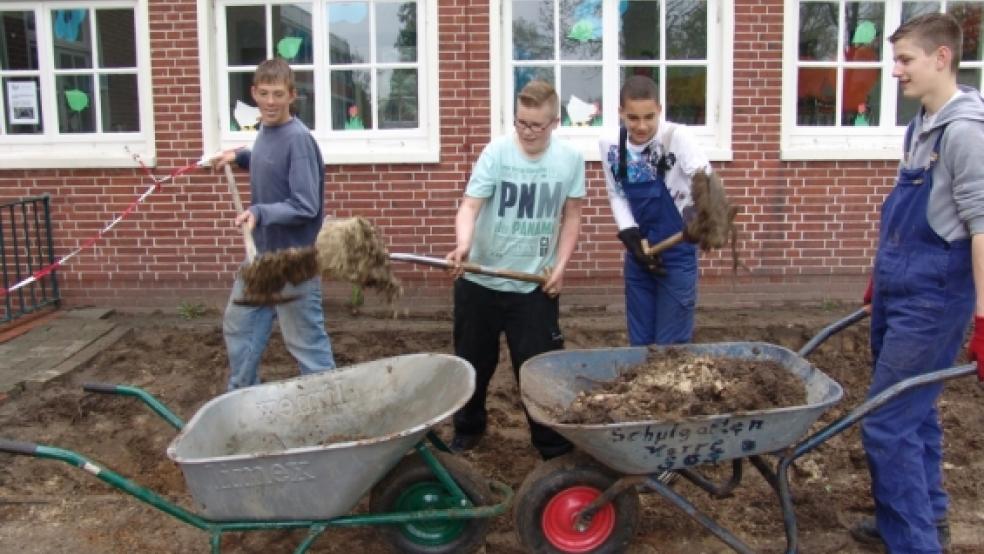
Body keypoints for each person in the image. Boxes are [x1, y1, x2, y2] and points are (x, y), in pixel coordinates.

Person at [853, 13, 984, 553]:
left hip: (934, 299)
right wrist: (876, 279)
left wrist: (983, 321)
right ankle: (923, 518)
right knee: (913, 413)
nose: (896, 71)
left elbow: (982, 230)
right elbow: (906, 214)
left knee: (884, 423)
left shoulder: (966, 133)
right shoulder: (919, 127)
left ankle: (913, 543)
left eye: (905, 59)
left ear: (941, 58)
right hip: (899, 290)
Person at [445, 80, 584, 459]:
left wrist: (561, 265)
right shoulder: (497, 153)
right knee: (474, 362)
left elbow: (571, 216)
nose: (527, 132)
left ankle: (552, 444)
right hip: (480, 282)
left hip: (534, 286)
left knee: (539, 369)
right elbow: (470, 206)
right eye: (521, 122)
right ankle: (468, 428)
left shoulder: (569, 160)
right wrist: (463, 244)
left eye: (536, 125)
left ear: (554, 122)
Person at [212, 58, 336, 390]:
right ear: (253, 93)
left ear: (292, 95)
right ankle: (242, 398)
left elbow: (306, 205)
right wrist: (239, 158)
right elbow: (267, 161)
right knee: (240, 327)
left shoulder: (298, 140)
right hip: (262, 257)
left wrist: (260, 212)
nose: (270, 101)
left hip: (293, 261)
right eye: (264, 93)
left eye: (278, 94)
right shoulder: (267, 131)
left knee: (306, 345)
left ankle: (329, 409)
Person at [599, 75, 712, 346]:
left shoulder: (676, 138)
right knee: (640, 341)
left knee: (670, 344)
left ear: (660, 110)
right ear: (621, 112)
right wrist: (629, 233)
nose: (641, 126)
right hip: (641, 251)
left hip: (677, 252)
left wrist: (700, 212)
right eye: (633, 118)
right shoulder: (611, 145)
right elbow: (617, 193)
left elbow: (703, 176)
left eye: (649, 117)